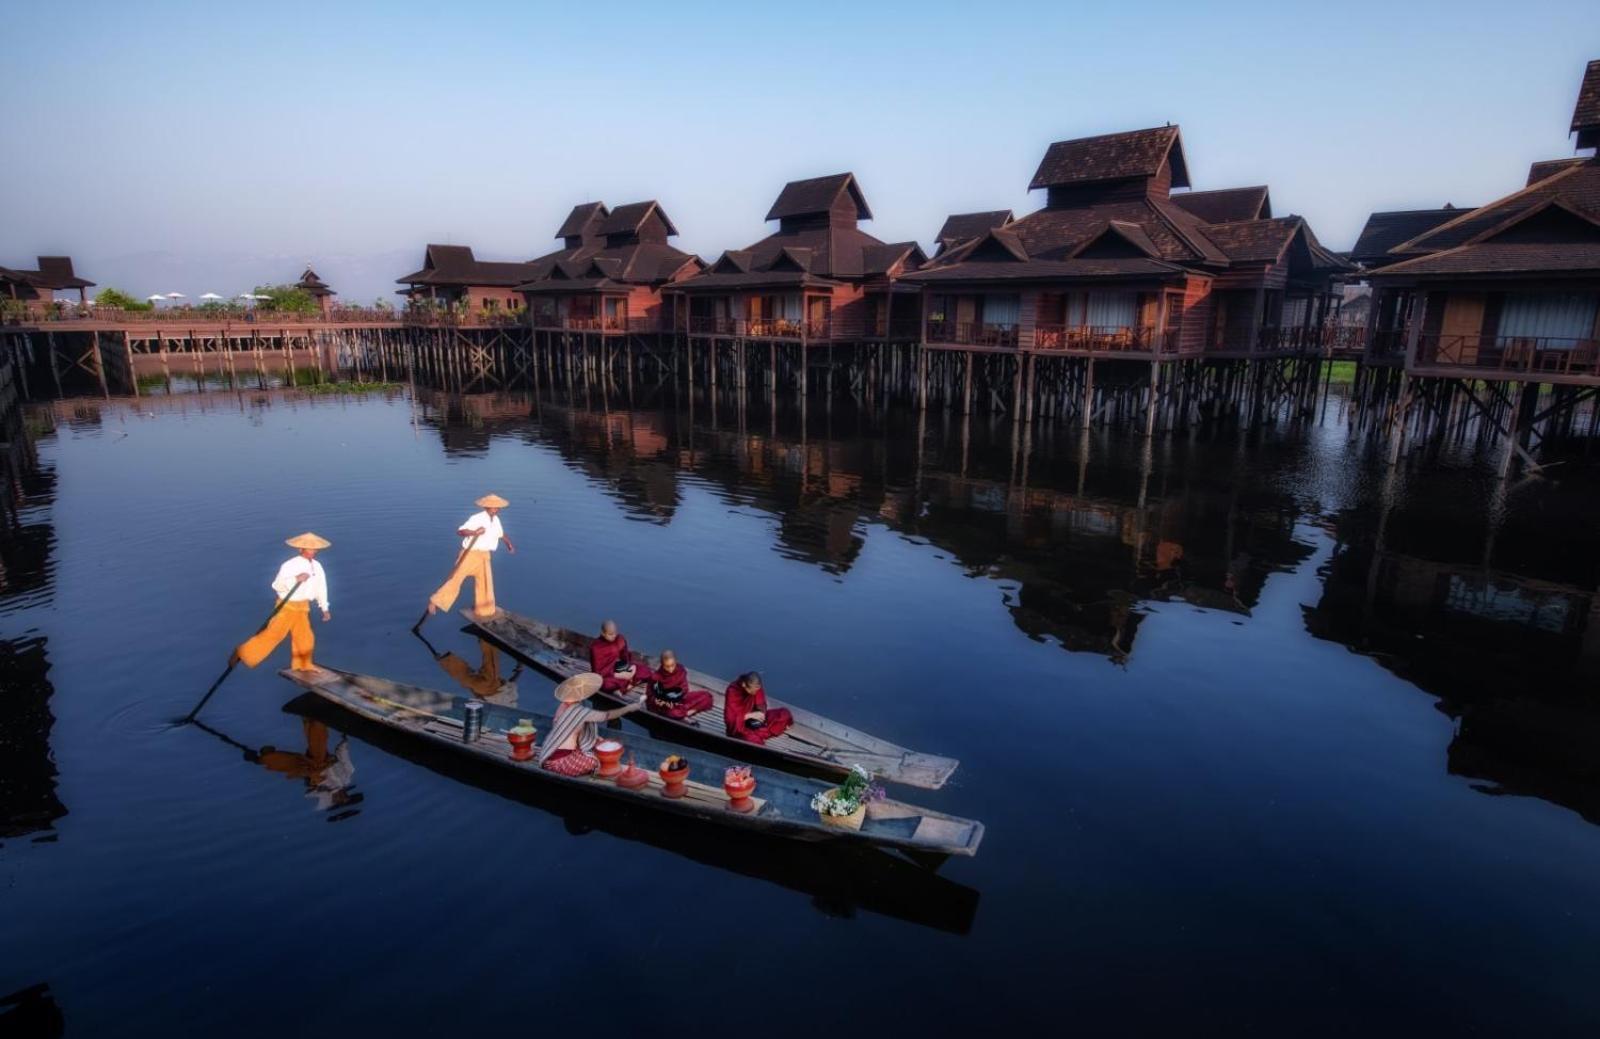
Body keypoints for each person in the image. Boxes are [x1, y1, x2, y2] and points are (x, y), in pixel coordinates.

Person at [231, 532, 332, 673]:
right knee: (275, 634)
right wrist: (295, 579)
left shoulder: (317, 566)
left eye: (314, 549)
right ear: (300, 549)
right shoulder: (290, 565)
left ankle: (303, 664)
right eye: (309, 549)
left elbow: (322, 587)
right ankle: (243, 652)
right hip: (287, 605)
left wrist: (324, 607)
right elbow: (277, 585)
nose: (312, 552)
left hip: (303, 607)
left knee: (305, 636)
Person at [424, 493, 515, 622]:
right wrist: (474, 532)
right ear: (487, 507)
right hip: (470, 554)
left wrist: (509, 544)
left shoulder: (496, 520)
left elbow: (501, 534)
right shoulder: (476, 518)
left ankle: (484, 611)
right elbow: (460, 531)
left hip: (484, 556)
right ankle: (435, 602)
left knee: (485, 584)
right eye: (494, 507)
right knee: (456, 579)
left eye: (498, 507)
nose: (497, 509)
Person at [537, 672, 646, 776]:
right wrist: (628, 708)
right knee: (594, 761)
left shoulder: (564, 705)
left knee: (592, 749)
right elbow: (607, 715)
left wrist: (596, 738)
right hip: (558, 761)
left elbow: (574, 730)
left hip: (554, 752)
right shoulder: (578, 711)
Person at [433, 637, 521, 703]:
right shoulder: (509, 701)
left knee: (491, 666)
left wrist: (519, 670)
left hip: (491, 687)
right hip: (480, 690)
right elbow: (512, 682)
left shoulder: (510, 702)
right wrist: (518, 671)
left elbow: (511, 683)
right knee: (465, 677)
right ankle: (446, 660)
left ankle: (488, 642)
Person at [723, 671, 793, 744]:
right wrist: (749, 716)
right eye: (751, 691)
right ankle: (756, 734)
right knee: (754, 740)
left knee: (784, 713)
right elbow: (730, 719)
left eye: (757, 690)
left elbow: (761, 703)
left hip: (753, 721)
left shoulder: (756, 687)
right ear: (744, 684)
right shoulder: (733, 690)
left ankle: (757, 732)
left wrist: (761, 713)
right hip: (739, 725)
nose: (755, 693)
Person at [588, 619, 654, 695]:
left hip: (617, 669)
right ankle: (629, 683)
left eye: (615, 632)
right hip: (605, 676)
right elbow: (597, 672)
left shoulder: (619, 639)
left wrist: (628, 668)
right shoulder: (596, 647)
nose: (614, 636)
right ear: (603, 633)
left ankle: (627, 683)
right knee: (605, 684)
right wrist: (616, 675)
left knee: (644, 670)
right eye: (610, 634)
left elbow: (625, 657)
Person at [646, 649, 713, 721]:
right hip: (664, 706)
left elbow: (684, 688)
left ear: (676, 662)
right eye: (667, 666)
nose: (670, 669)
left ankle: (688, 713)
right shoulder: (656, 677)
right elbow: (650, 696)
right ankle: (682, 714)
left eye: (672, 665)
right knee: (673, 712)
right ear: (662, 664)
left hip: (679, 701)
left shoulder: (680, 671)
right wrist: (662, 701)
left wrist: (677, 697)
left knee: (706, 696)